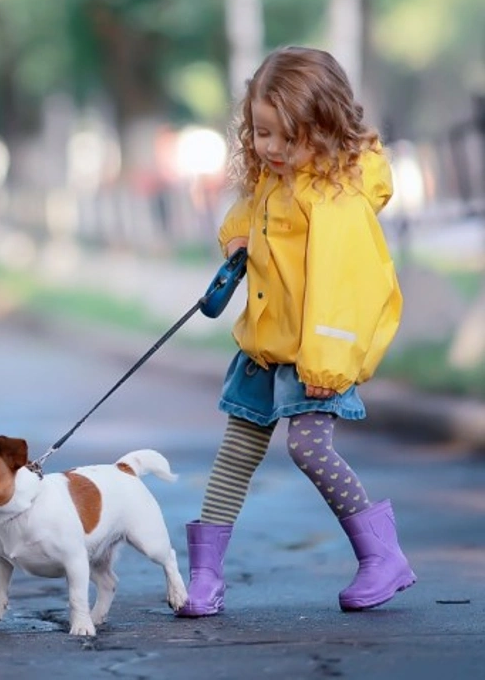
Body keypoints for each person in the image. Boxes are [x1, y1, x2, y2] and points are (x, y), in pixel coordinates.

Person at [176, 46, 416, 617]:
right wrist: (235, 240)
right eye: (261, 134)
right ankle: (204, 578)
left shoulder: (334, 198)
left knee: (308, 448)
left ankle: (383, 556)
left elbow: (346, 283)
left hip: (315, 354)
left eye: (288, 137)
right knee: (236, 452)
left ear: (326, 128)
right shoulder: (279, 177)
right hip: (266, 345)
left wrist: (327, 362)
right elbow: (254, 211)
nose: (273, 149)